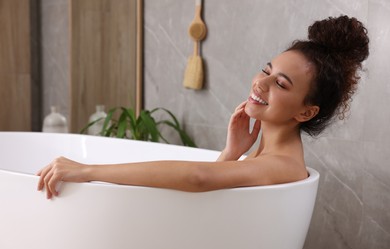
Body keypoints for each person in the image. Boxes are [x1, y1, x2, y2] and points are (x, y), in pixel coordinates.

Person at [37, 15, 369, 199]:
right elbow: (208, 194)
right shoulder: (264, 157)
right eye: (266, 70)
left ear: (306, 112)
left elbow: (197, 178)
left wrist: (86, 171)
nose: (260, 83)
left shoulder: (284, 166)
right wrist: (230, 153)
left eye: (281, 84)